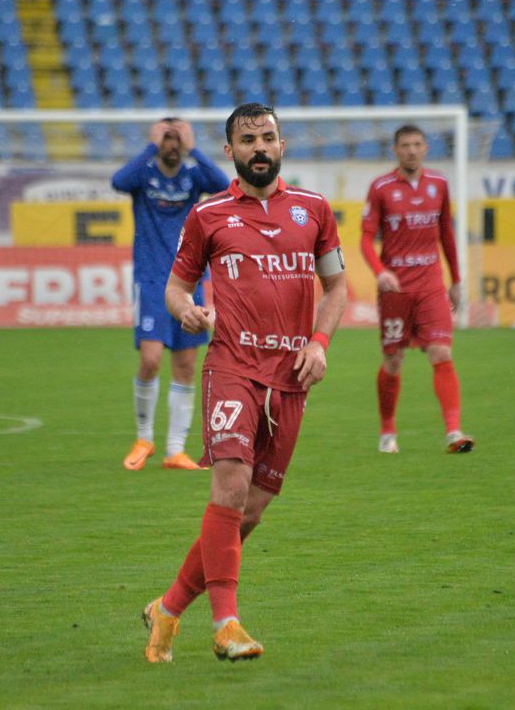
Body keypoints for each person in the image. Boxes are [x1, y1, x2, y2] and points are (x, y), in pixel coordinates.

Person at [140, 102, 347, 663]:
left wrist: (319, 344)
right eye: (248, 139)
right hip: (231, 366)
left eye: (268, 137)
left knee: (248, 513)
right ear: (230, 152)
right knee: (229, 490)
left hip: (291, 378)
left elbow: (337, 289)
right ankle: (226, 624)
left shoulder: (314, 210)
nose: (260, 147)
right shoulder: (208, 215)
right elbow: (176, 288)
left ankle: (168, 608)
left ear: (282, 146)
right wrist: (187, 312)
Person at [113, 118, 230, 471]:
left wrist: (194, 147)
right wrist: (151, 144)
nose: (172, 143)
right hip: (150, 281)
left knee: (185, 364)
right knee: (150, 359)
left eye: (177, 138)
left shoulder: (193, 178)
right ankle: (144, 438)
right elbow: (118, 181)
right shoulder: (143, 176)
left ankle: (175, 451)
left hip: (189, 280)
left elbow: (223, 184)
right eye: (167, 137)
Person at [361, 125, 474, 455]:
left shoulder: (439, 184)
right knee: (393, 360)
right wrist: (380, 272)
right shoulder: (381, 188)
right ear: (395, 151)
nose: (411, 150)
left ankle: (454, 432)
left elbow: (446, 236)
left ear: (426, 148)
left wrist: (456, 281)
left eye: (417, 144)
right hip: (396, 291)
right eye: (405, 145)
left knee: (441, 352)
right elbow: (365, 238)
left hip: (430, 287)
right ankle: (387, 431)